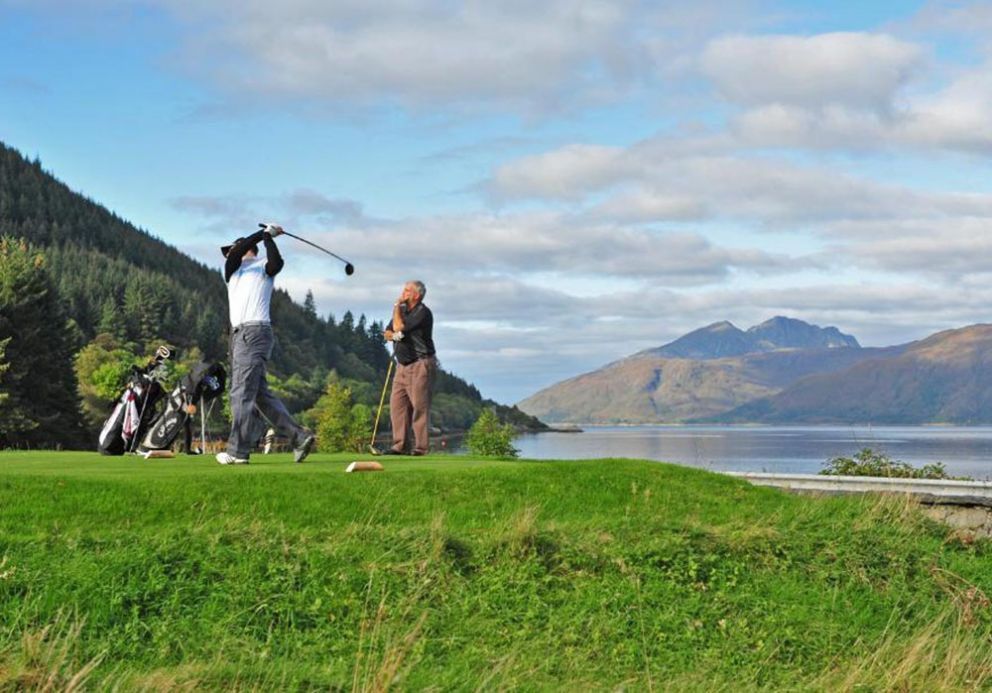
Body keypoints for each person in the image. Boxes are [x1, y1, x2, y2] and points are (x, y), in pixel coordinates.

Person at [216, 223, 315, 465]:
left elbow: (277, 263)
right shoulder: (232, 270)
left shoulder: (263, 267)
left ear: (248, 249)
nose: (228, 254)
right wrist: (263, 234)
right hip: (240, 336)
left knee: (240, 392)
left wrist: (269, 239)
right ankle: (298, 436)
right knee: (260, 395)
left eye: (231, 249)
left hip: (254, 332)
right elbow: (237, 254)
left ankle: (238, 452)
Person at [382, 280, 437, 455]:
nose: (402, 293)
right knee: (397, 405)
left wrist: (396, 306)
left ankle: (421, 448)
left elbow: (398, 328)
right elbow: (388, 333)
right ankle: (400, 446)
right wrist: (394, 333)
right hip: (402, 365)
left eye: (406, 291)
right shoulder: (402, 311)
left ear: (416, 295)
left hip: (420, 363)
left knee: (419, 407)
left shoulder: (423, 313)